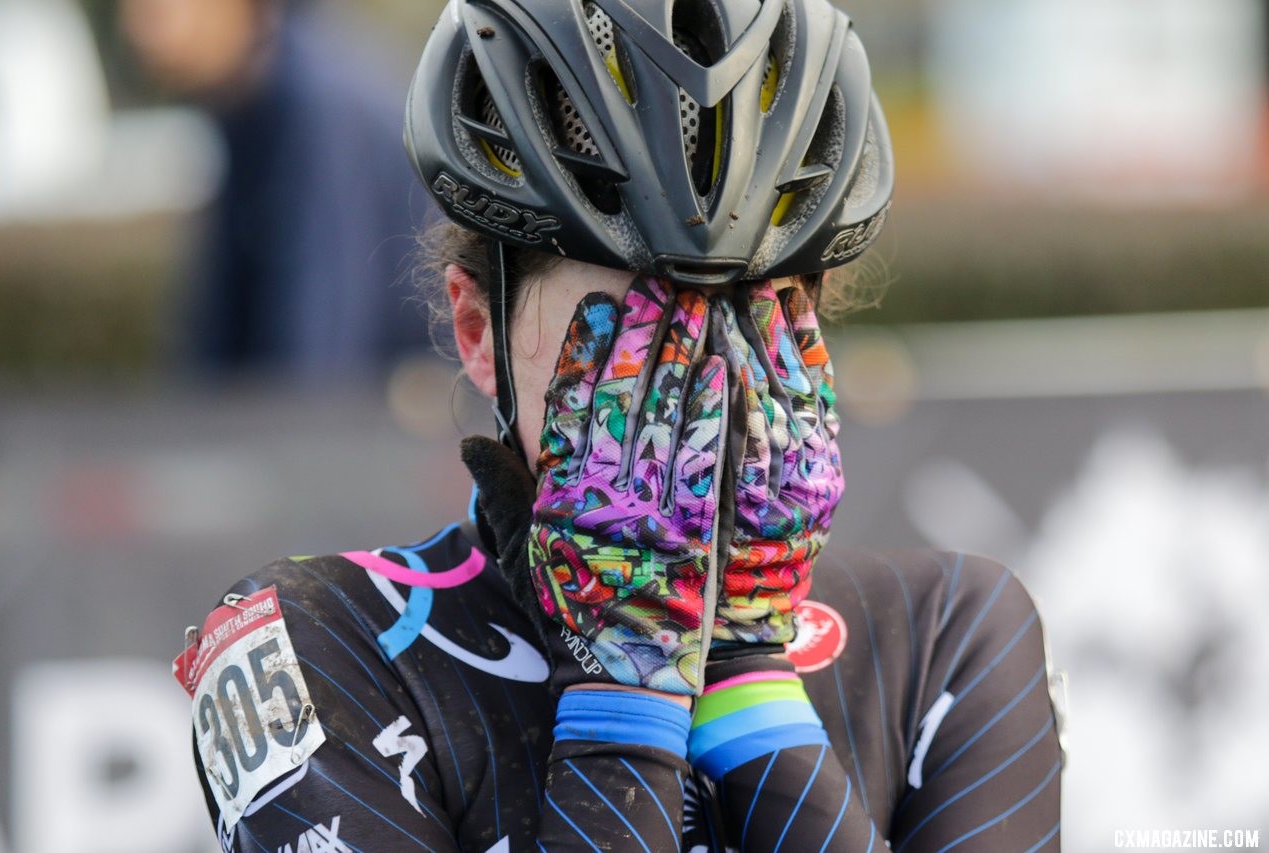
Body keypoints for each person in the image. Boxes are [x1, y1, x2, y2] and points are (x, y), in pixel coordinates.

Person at [176, 0, 1064, 849]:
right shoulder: (314, 643)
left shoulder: (955, 630)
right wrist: (625, 685)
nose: (701, 384)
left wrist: (747, 665)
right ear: (479, 332)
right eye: (637, 327)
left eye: (747, 313)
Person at [120, 0, 436, 380]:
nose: (136, 30)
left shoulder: (323, 108)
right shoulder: (250, 101)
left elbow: (324, 359)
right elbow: (216, 337)